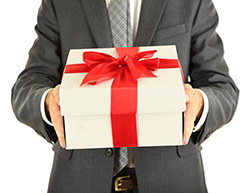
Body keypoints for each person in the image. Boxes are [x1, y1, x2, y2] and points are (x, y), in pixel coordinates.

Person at [11, 0, 239, 192]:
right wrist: (47, 100)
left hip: (173, 180)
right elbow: (28, 84)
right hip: (79, 180)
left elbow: (222, 87)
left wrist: (199, 104)